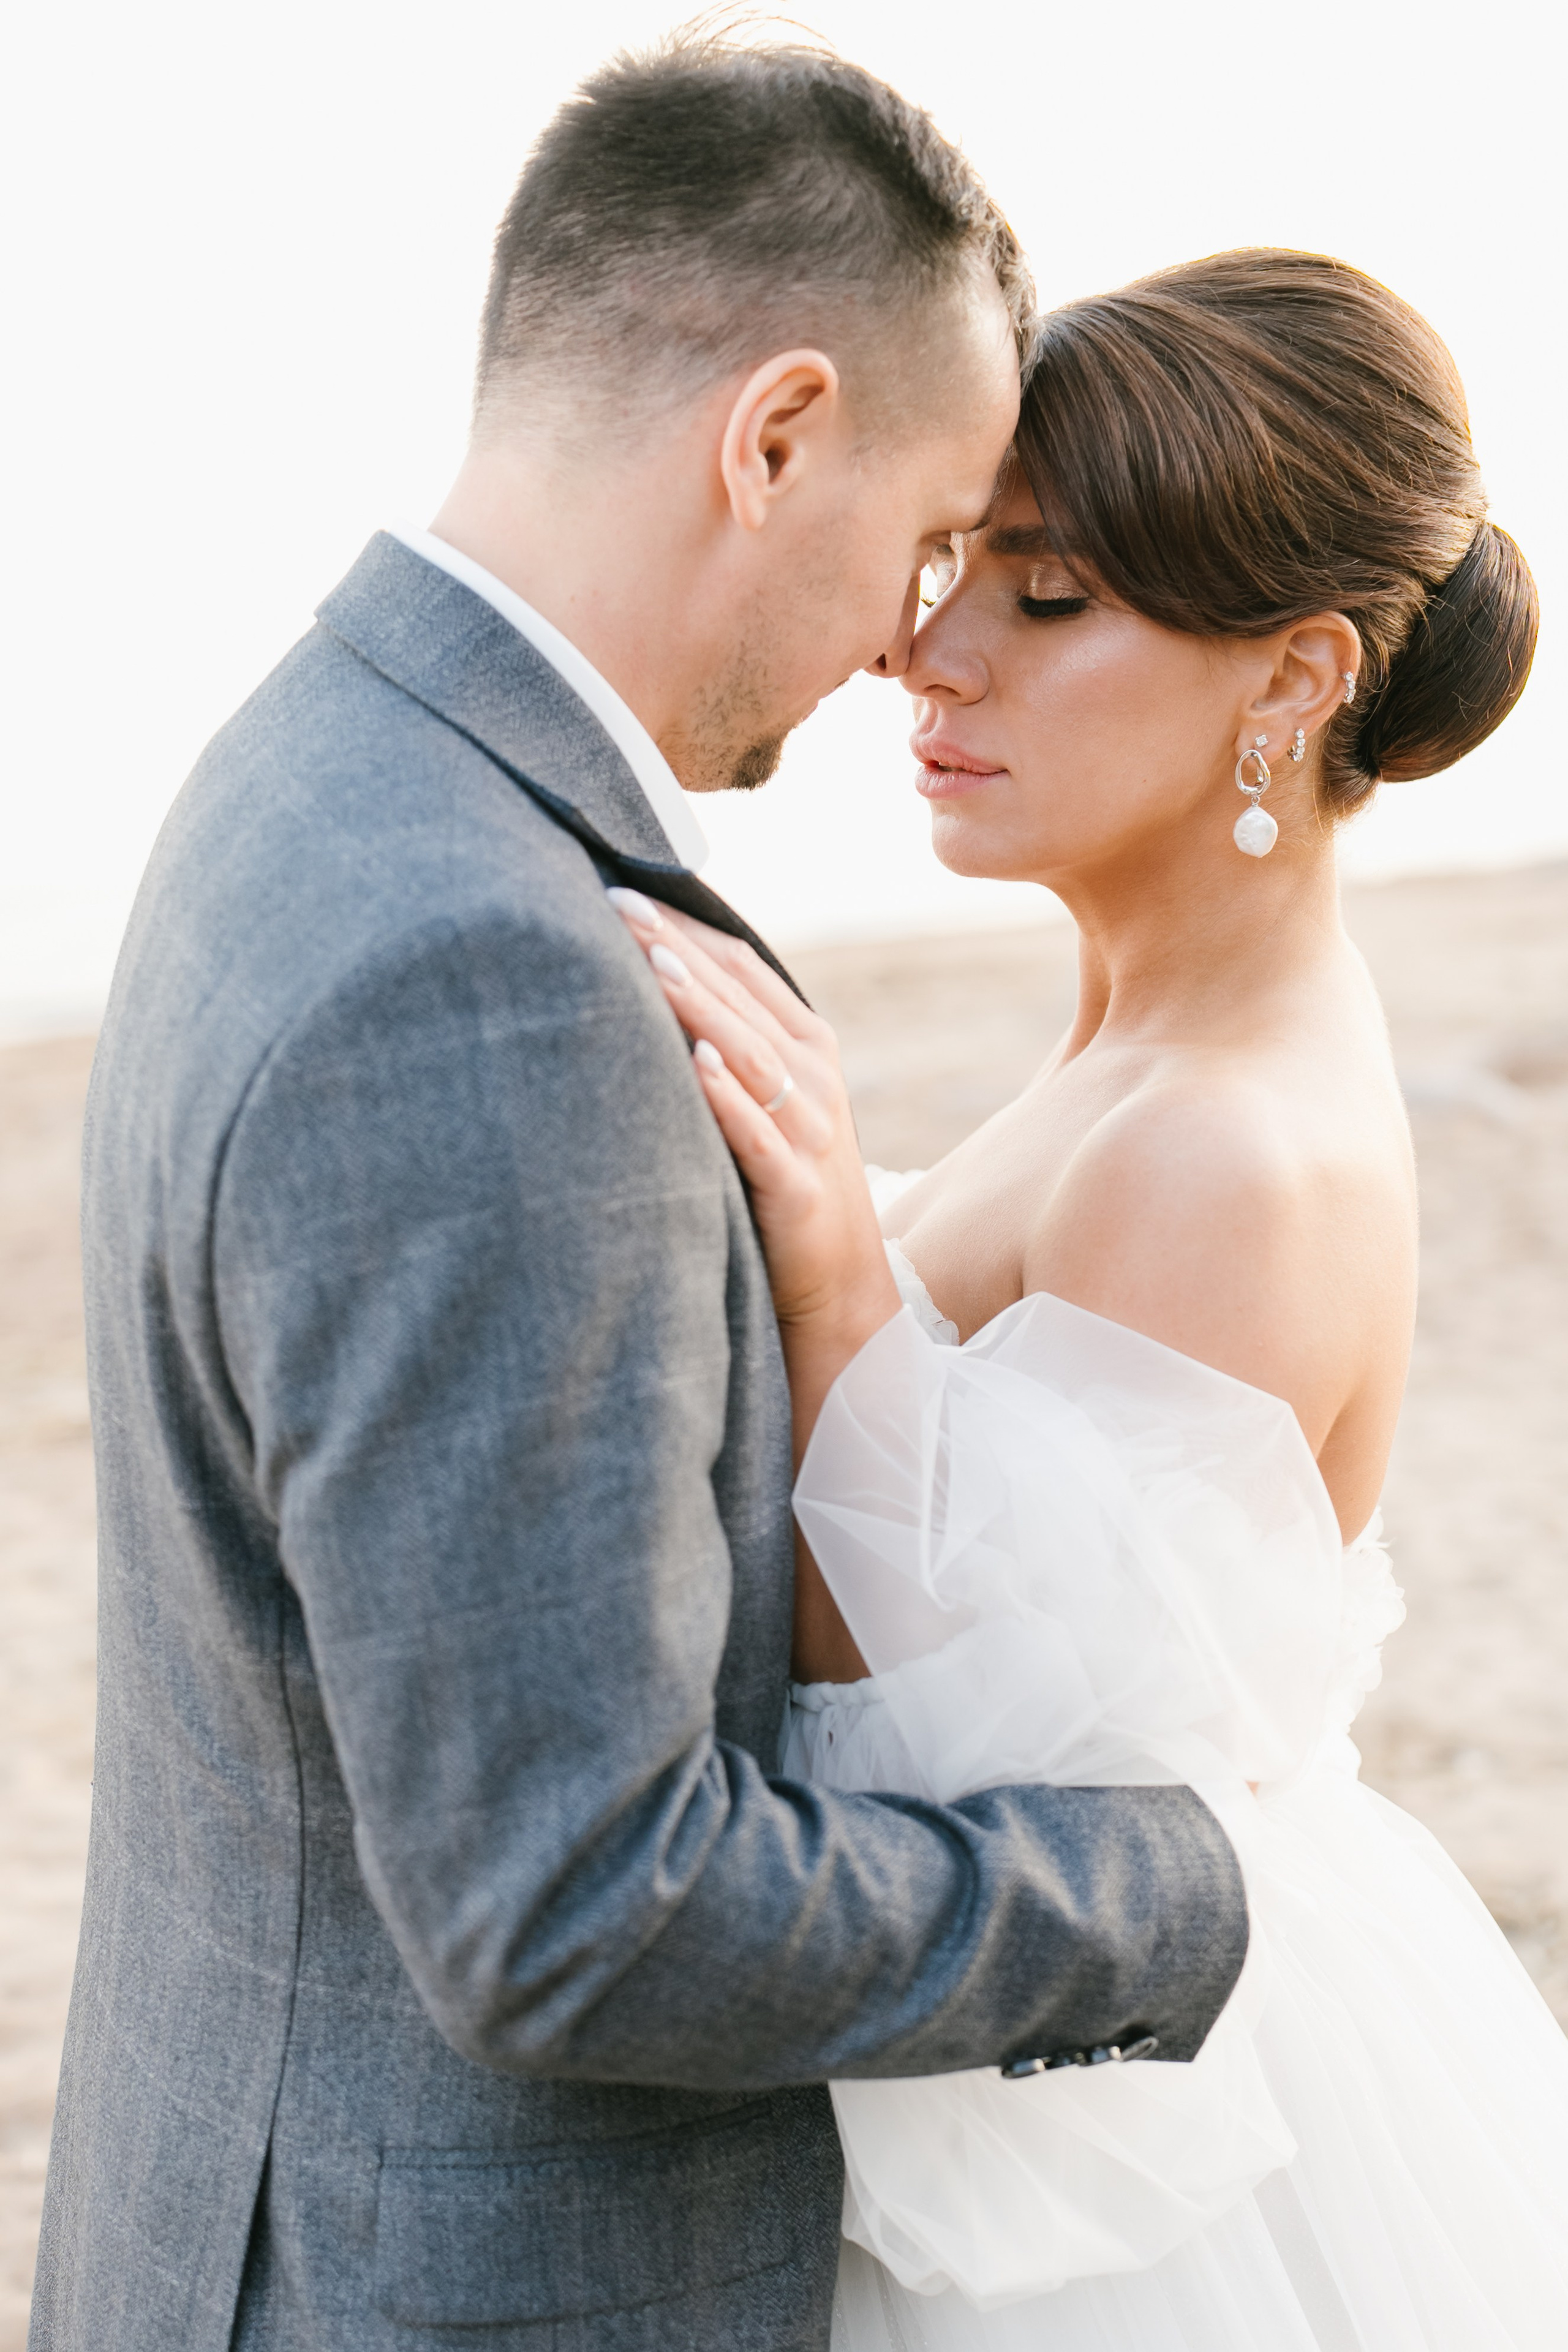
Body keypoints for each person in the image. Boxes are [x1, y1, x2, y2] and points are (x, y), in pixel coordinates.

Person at [28, 37, 1251, 2352]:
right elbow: (578, 1908)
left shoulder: (312, 762)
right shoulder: (486, 969)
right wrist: (1163, 1895)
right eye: (921, 538)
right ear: (773, 433)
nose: (915, 631)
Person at [616, 249, 1568, 2348]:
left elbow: (1010, 1776)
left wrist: (843, 1278)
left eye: (1045, 602)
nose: (926, 655)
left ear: (1296, 678)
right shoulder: (1150, 1056)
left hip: (1153, 2176)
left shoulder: (1217, 1146)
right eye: (954, 567)